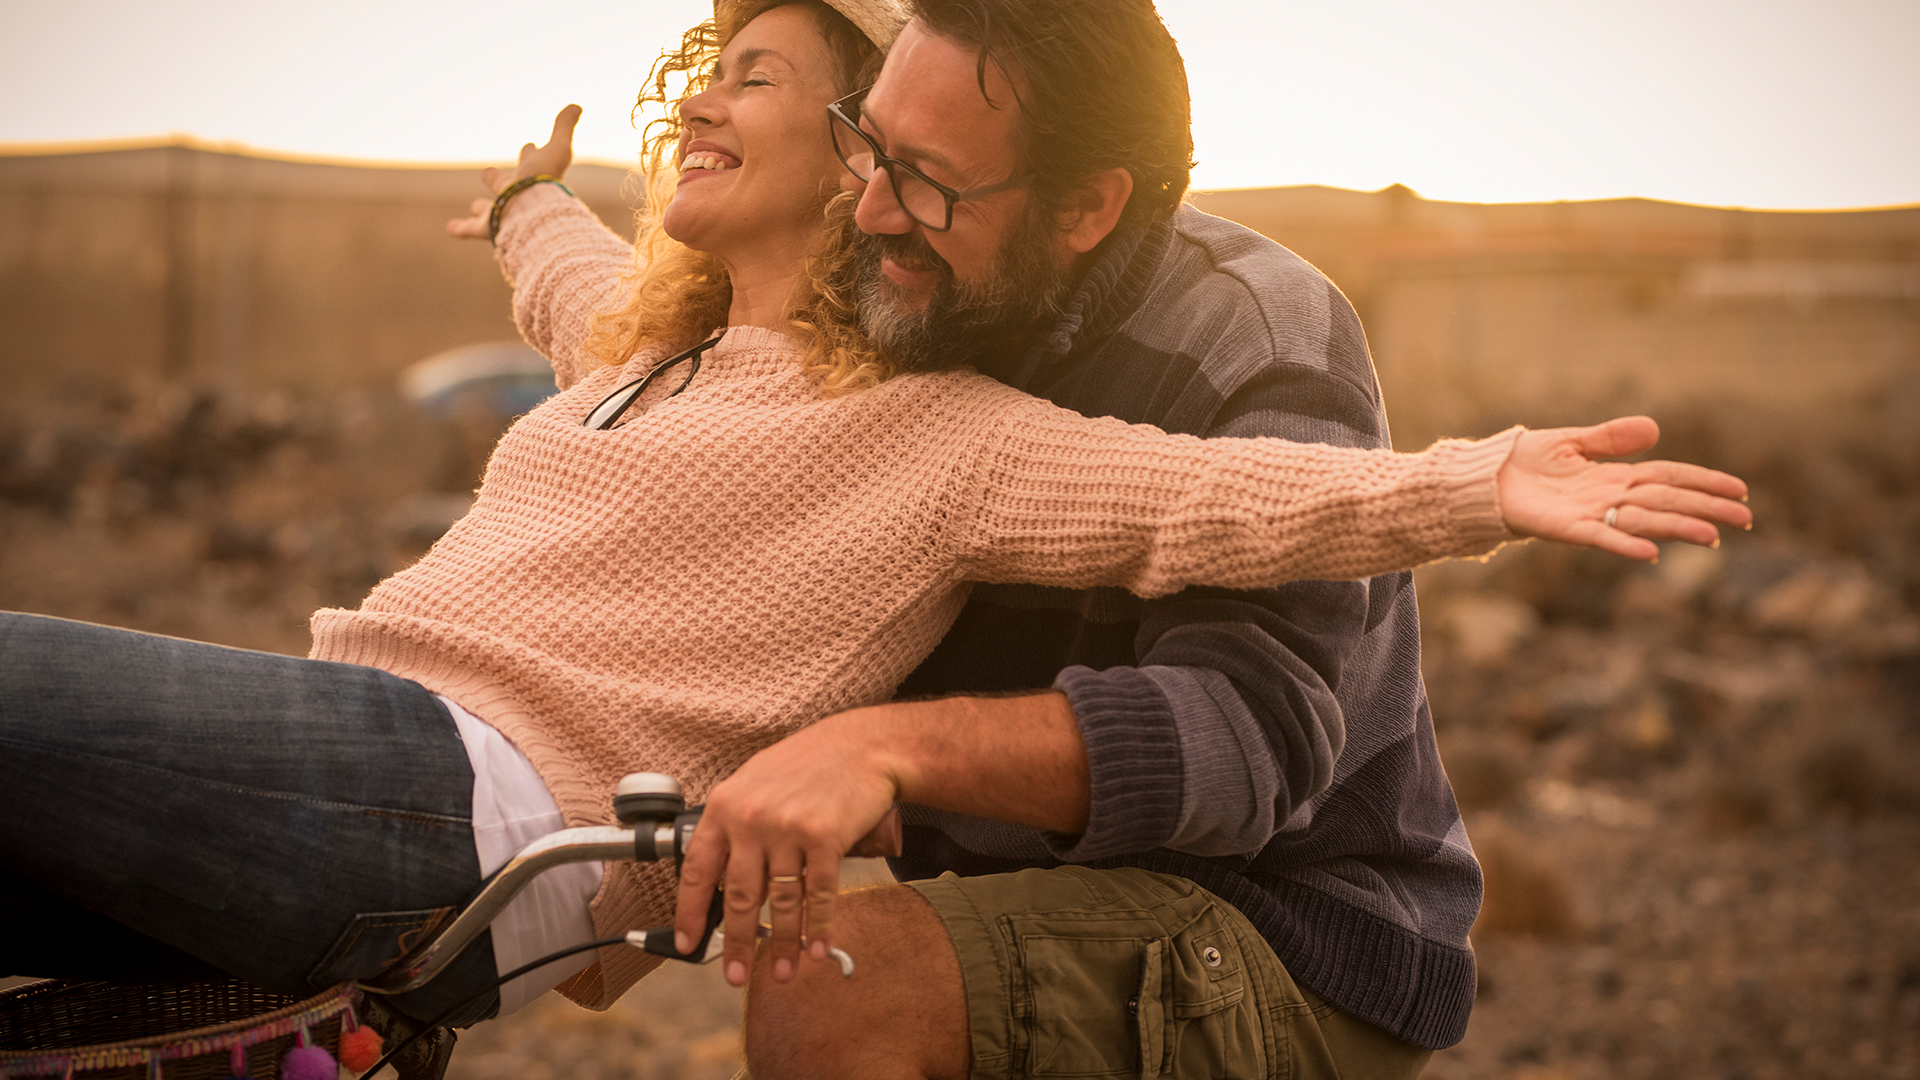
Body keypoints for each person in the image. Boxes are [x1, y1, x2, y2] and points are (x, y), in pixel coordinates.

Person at [1, 0, 1743, 1058]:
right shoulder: (664, 341)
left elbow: (1215, 515)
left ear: (1081, 207)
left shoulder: (955, 423)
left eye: (892, 160)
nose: (869, 187)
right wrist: (532, 194)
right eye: (862, 141)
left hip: (454, 791)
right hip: (351, 729)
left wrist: (1476, 484)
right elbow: (569, 273)